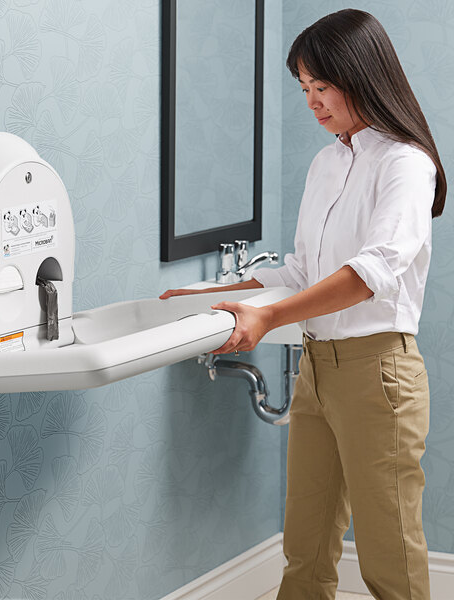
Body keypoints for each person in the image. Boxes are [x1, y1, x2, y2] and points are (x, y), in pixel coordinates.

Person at [160, 9, 446, 600]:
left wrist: (265, 317)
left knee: (388, 556)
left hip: (378, 374)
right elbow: (300, 271)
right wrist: (205, 294)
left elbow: (369, 274)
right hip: (318, 370)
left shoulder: (405, 163)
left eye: (322, 86)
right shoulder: (326, 163)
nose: (312, 102)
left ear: (361, 76)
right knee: (306, 547)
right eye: (304, 89)